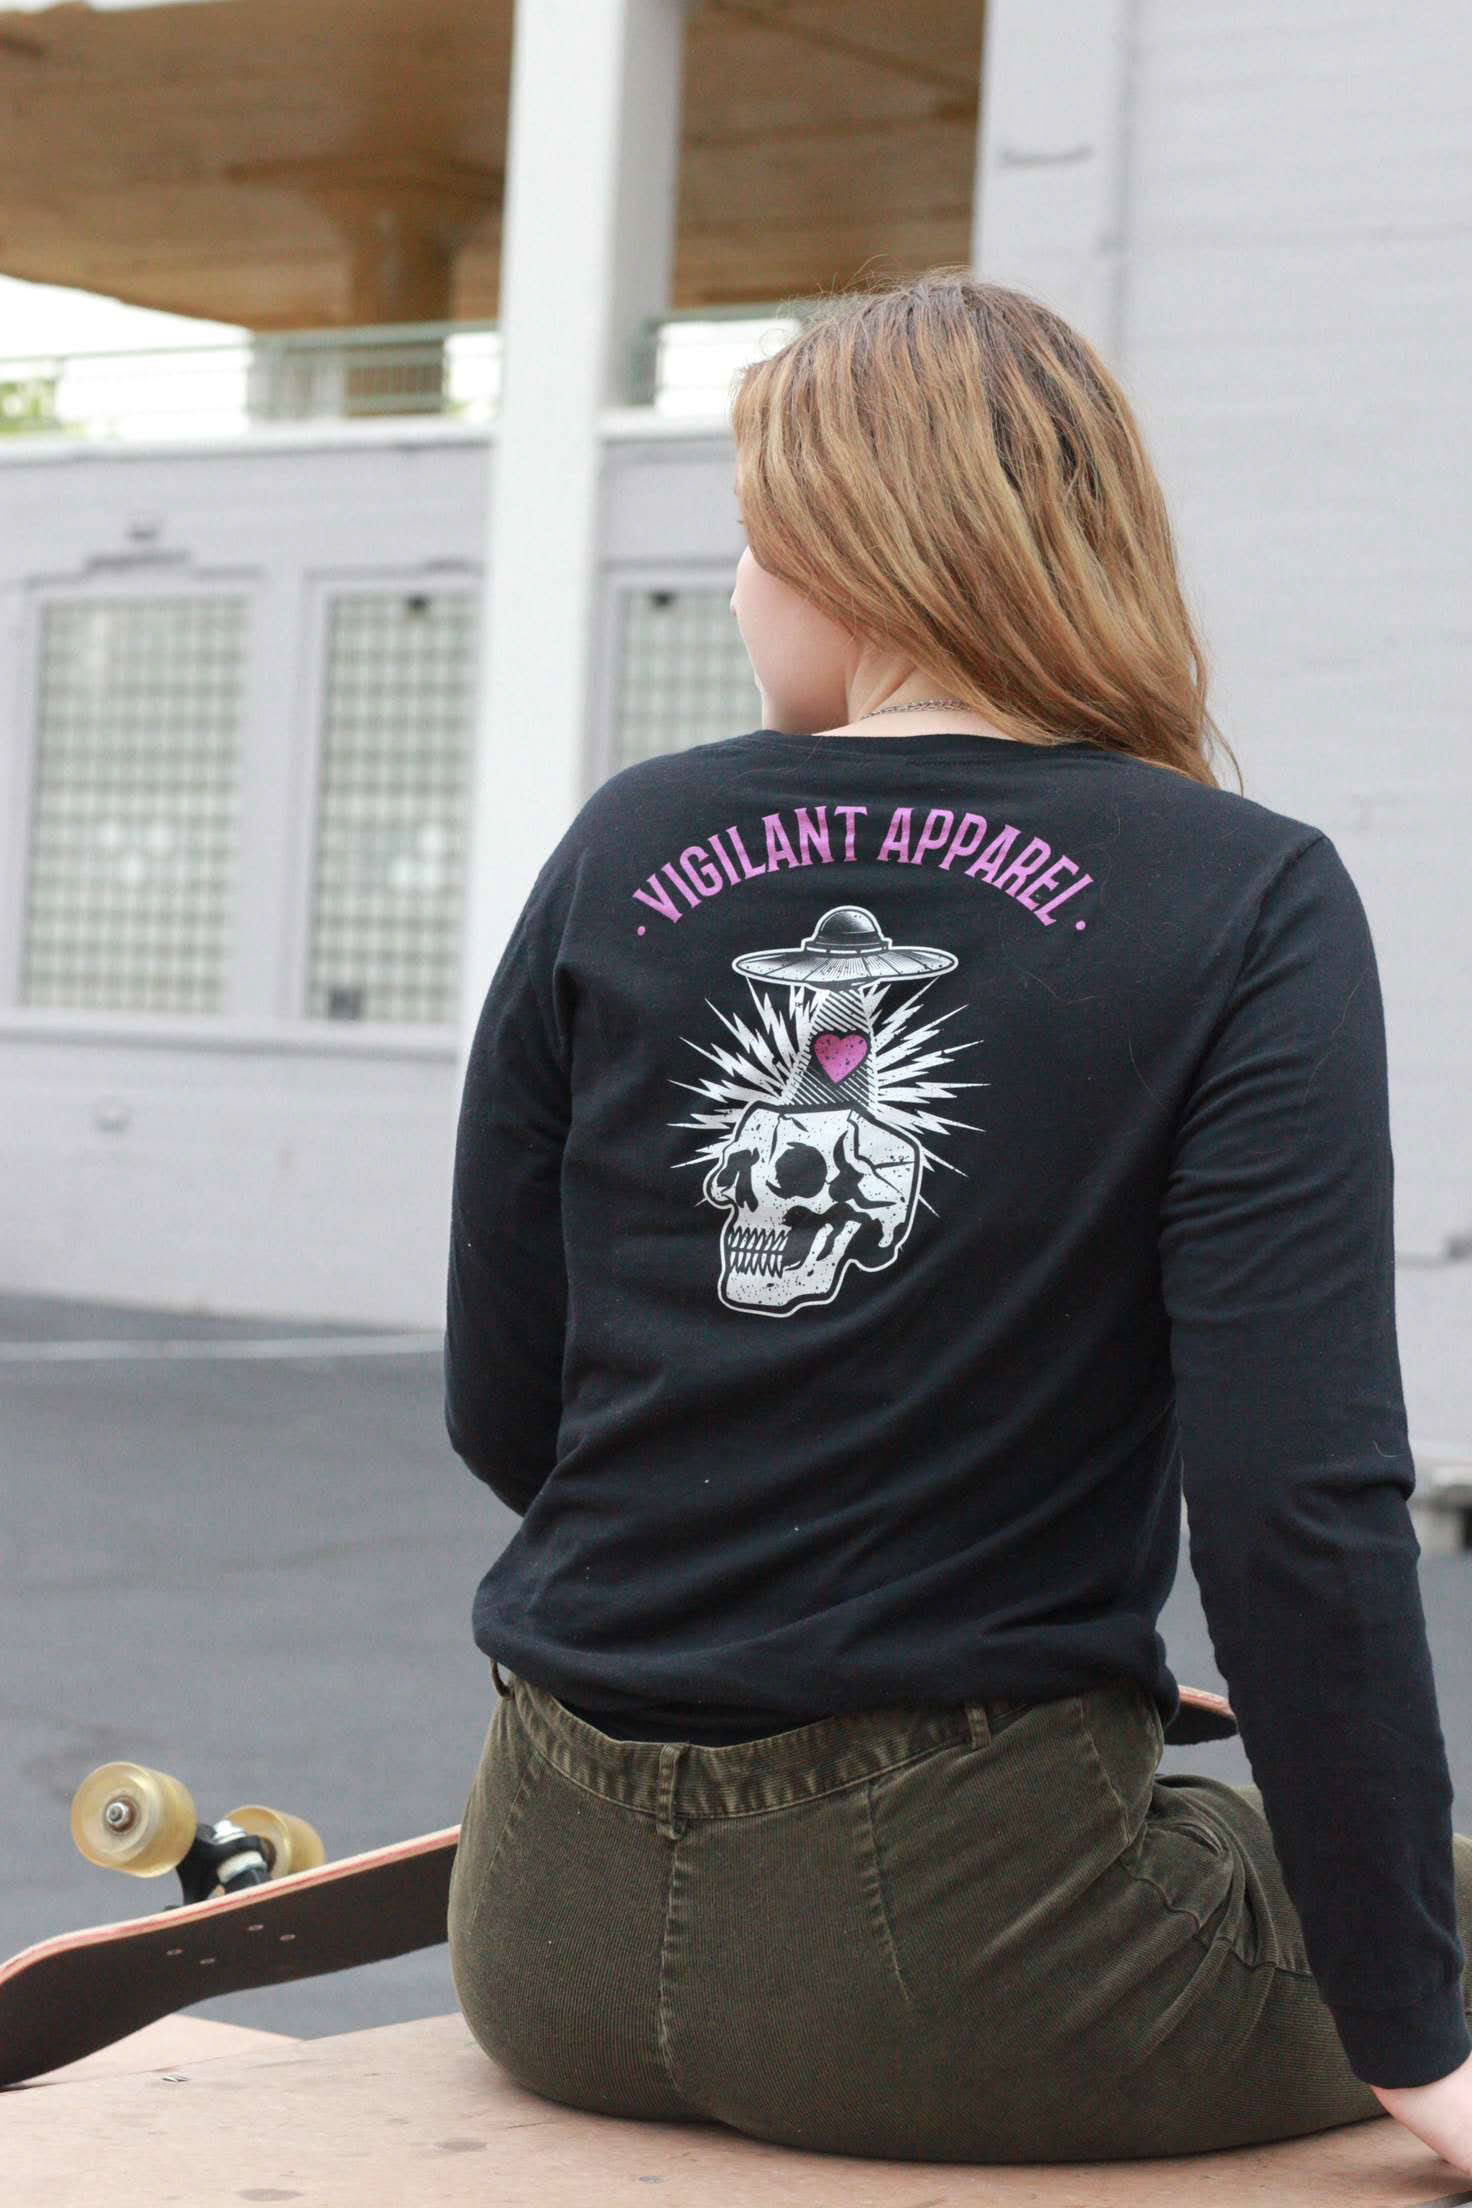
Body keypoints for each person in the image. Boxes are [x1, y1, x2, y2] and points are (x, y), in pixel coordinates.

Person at [441, 268, 1472, 2172]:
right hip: (974, 1967)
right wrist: (1420, 2038)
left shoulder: (623, 843)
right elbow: (1295, 1506)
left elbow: (514, 1409)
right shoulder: (1243, 896)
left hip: (542, 1922)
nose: (736, 592)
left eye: (751, 540)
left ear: (852, 555)